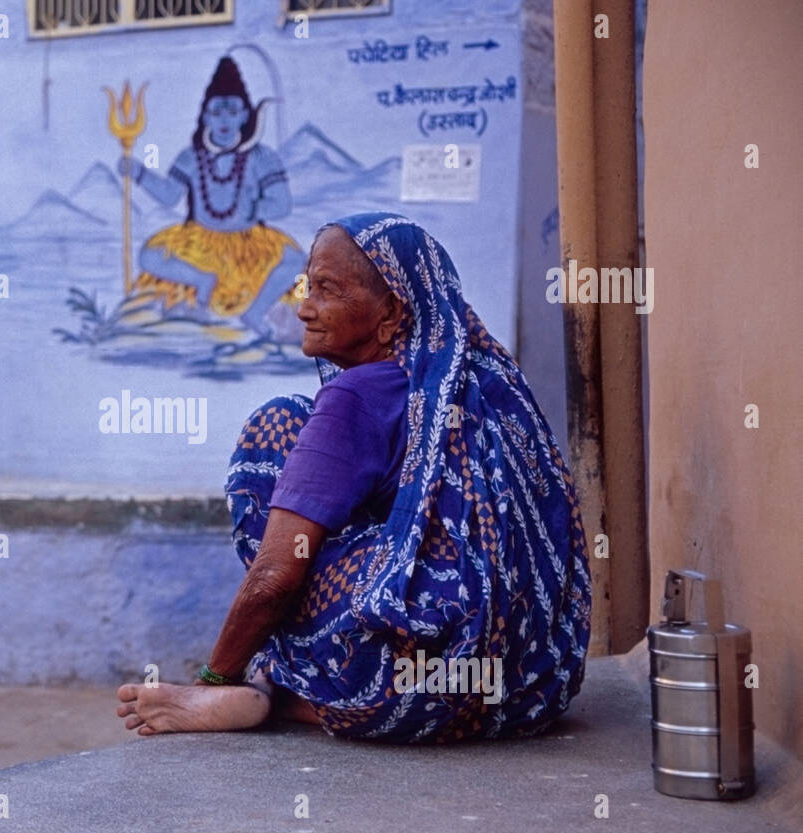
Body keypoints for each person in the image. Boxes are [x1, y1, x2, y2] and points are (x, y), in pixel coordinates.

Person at [117, 212, 592, 743]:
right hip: (526, 686)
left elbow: (276, 577)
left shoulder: (356, 397)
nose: (304, 308)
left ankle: (272, 690)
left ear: (391, 313)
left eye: (327, 290)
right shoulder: (483, 386)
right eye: (306, 286)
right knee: (304, 431)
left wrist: (214, 678)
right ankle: (282, 694)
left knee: (274, 428)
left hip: (404, 687)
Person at [116, 56, 305, 339]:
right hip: (200, 243)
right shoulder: (191, 157)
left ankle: (255, 312)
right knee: (148, 255)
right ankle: (202, 281)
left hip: (249, 244)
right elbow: (170, 196)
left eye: (232, 111)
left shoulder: (261, 158)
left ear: (245, 115)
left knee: (295, 261)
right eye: (216, 112)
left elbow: (282, 204)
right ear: (205, 117)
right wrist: (140, 173)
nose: (224, 120)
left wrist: (252, 208)